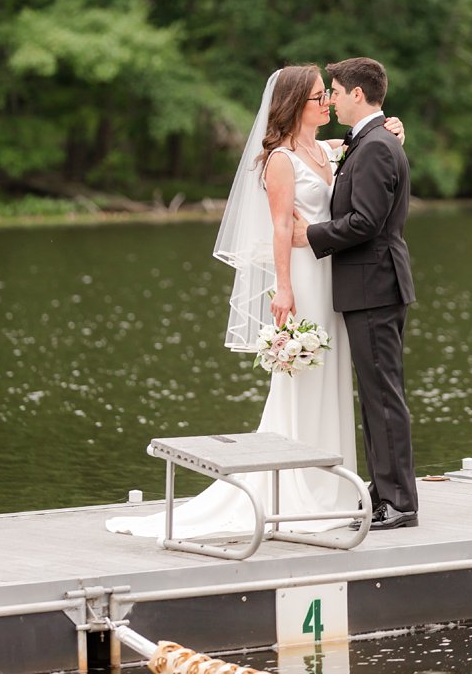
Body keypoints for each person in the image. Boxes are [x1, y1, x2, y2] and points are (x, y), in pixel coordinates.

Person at [107, 66, 401, 541]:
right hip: (304, 277)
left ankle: (336, 484)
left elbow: (370, 146)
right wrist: (283, 288)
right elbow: (281, 228)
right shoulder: (281, 159)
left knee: (333, 375)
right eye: (317, 98)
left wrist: (394, 126)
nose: (327, 103)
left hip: (334, 277)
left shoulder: (328, 149)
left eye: (328, 95)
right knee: (304, 379)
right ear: (293, 105)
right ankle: (297, 488)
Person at [293, 56, 418, 531]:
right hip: (371, 285)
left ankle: (400, 502)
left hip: (374, 284)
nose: (331, 98)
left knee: (383, 396)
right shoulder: (368, 142)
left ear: (358, 95)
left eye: (336, 91)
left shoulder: (375, 148)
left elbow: (366, 222)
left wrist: (313, 236)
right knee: (377, 394)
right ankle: (385, 489)